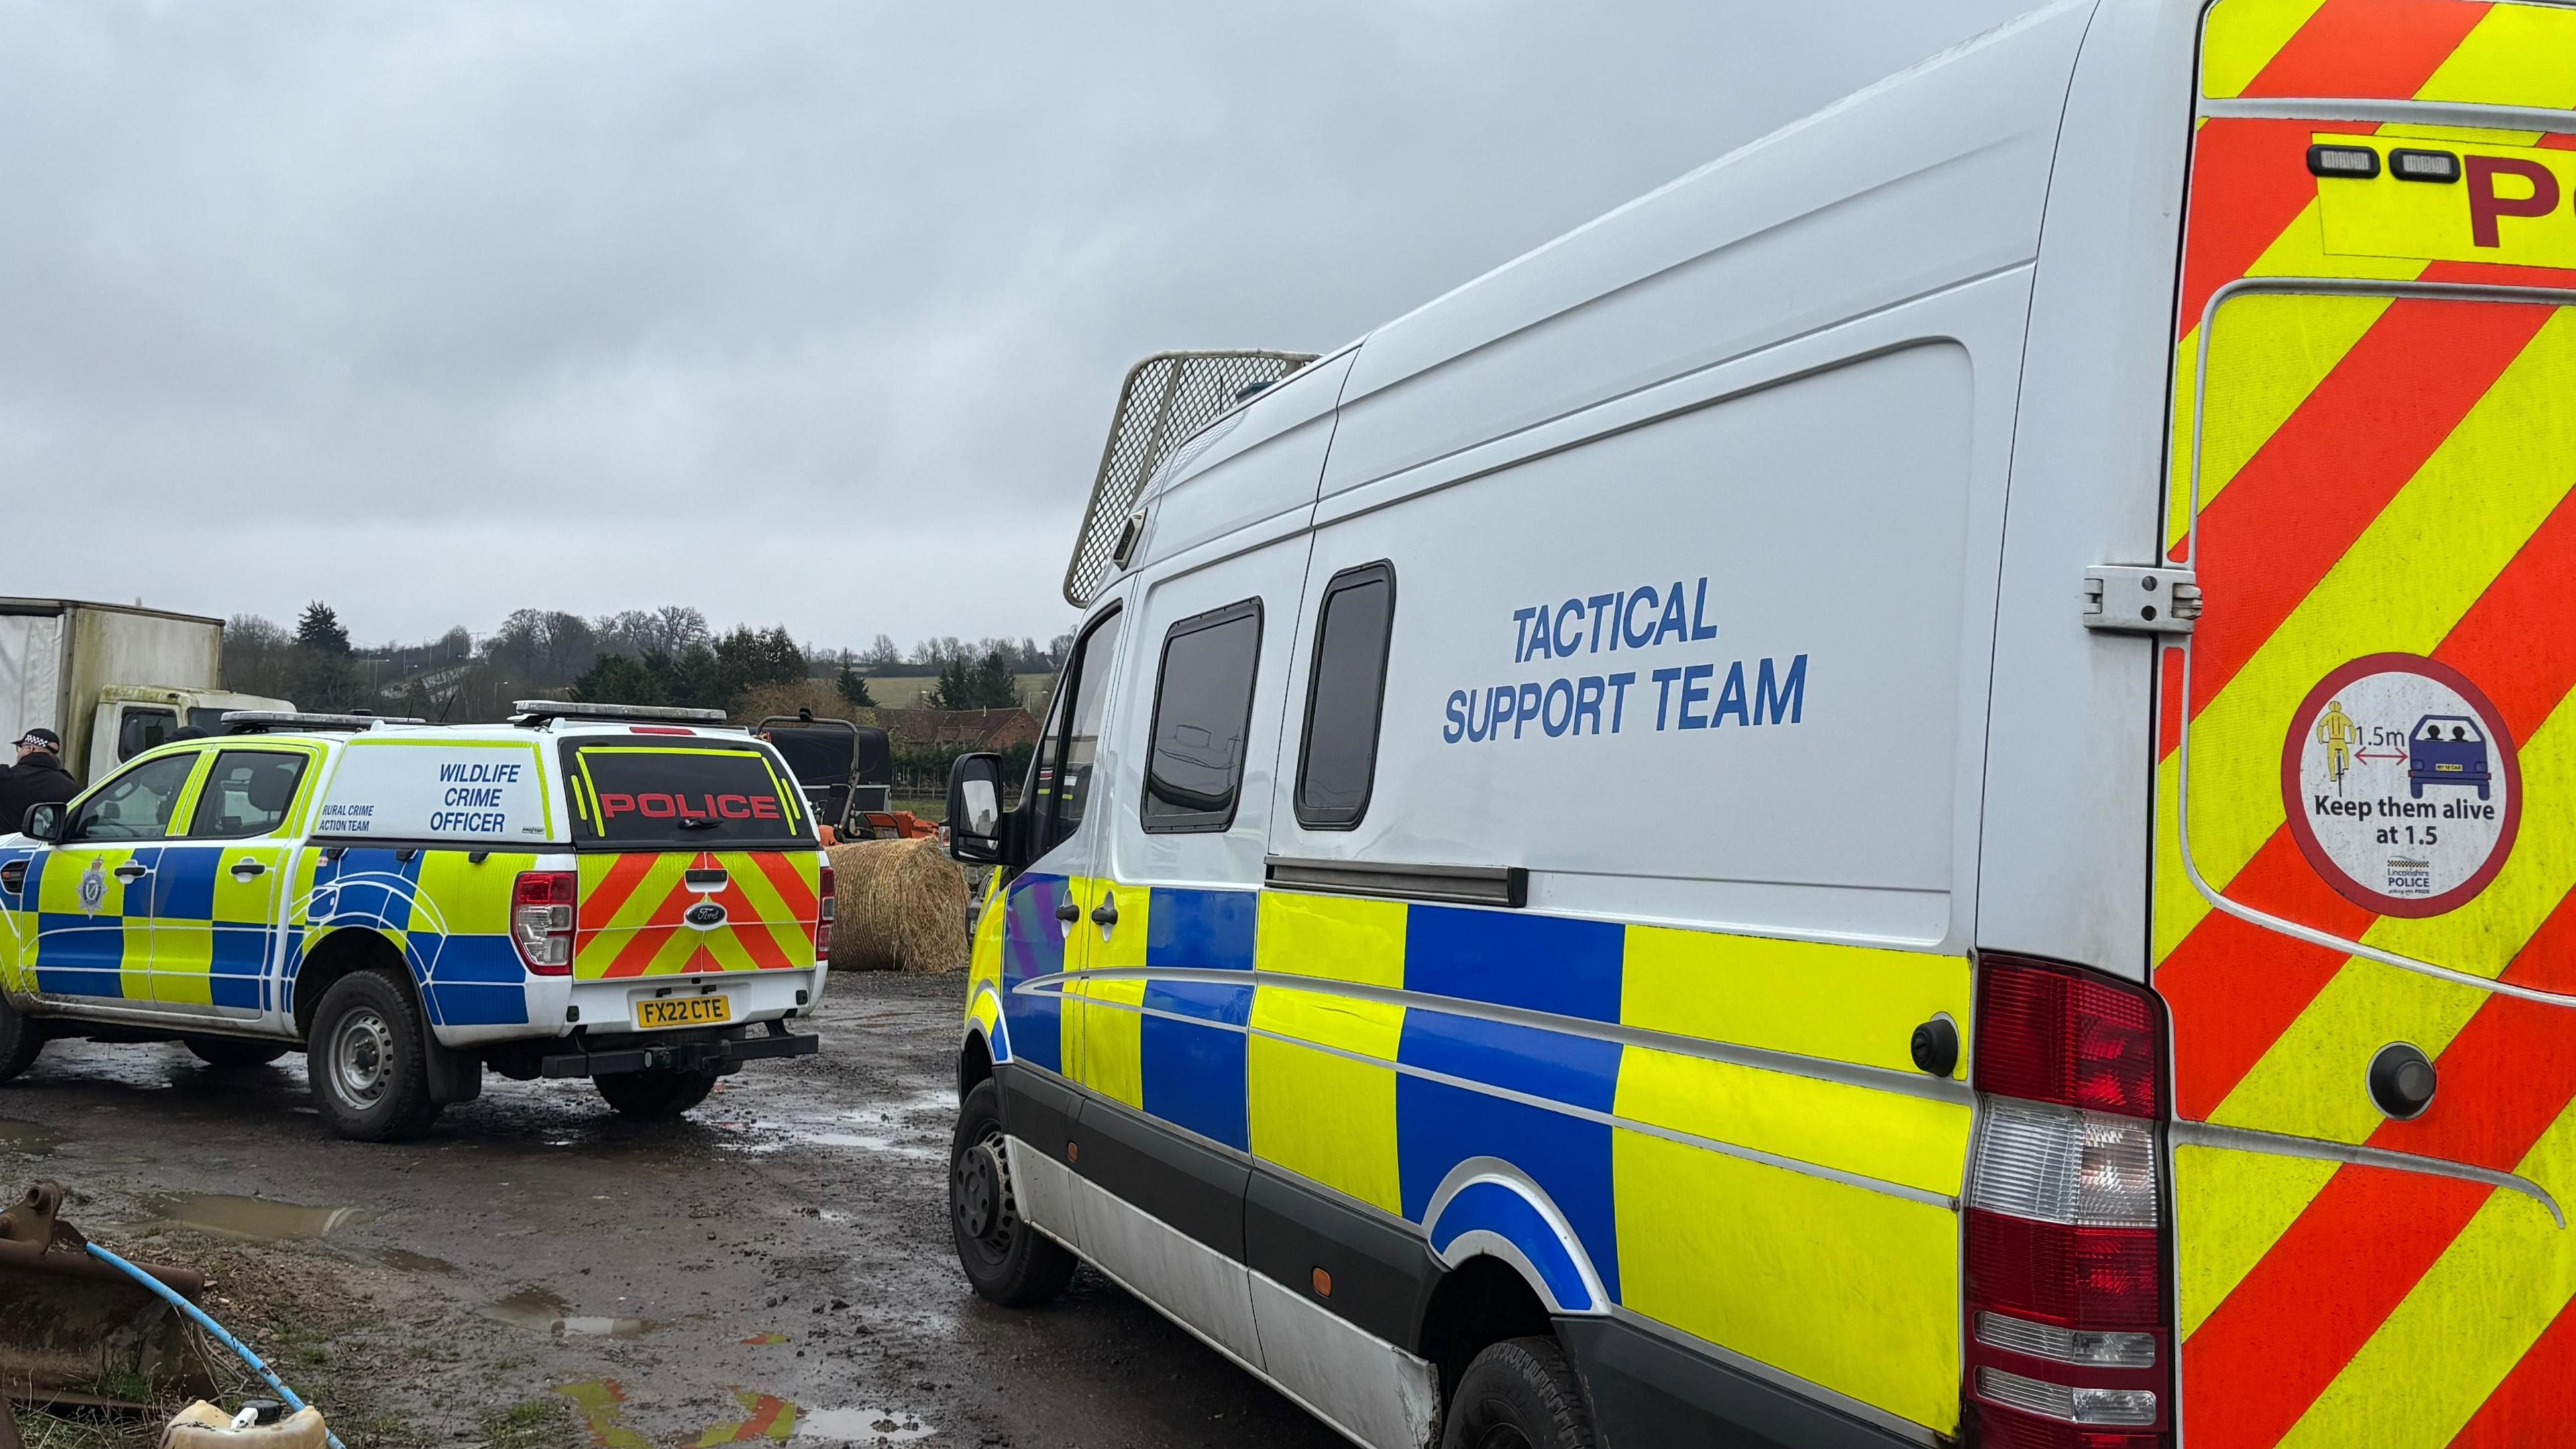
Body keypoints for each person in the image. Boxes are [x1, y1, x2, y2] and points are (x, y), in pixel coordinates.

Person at [0, 729, 80, 837]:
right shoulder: (72, 788)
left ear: (29, 749)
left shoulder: (5, 777)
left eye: (21, 748)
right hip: (49, 852)